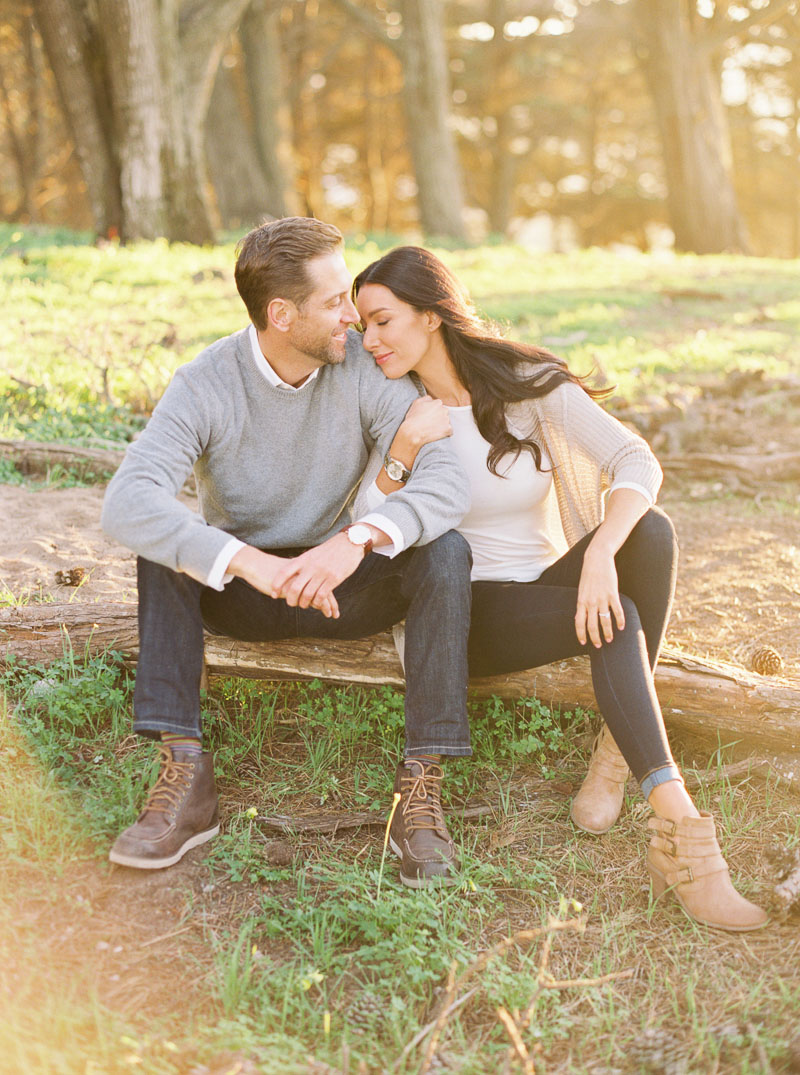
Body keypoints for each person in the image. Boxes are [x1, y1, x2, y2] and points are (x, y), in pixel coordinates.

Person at [352, 245, 768, 931]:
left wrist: (601, 548)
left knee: (650, 532)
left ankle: (613, 754)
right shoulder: (392, 403)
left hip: (544, 584)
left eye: (382, 321)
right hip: (460, 614)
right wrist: (400, 452)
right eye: (363, 326)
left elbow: (635, 459)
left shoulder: (524, 384)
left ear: (430, 315)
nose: (369, 341)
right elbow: (369, 530)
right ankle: (686, 836)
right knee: (621, 620)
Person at [101, 218, 475, 889]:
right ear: (281, 314)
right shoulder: (205, 382)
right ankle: (185, 774)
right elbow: (127, 501)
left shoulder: (364, 367)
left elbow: (447, 481)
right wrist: (253, 564)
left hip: (347, 584)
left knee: (444, 549)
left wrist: (354, 540)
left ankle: (421, 788)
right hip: (249, 589)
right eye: (335, 301)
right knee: (162, 545)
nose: (353, 317)